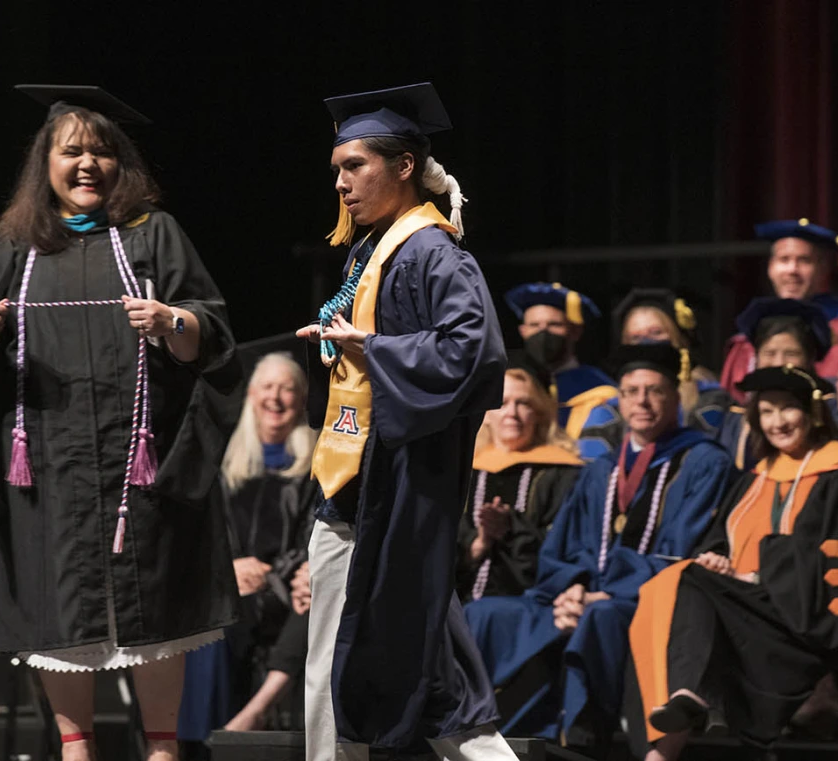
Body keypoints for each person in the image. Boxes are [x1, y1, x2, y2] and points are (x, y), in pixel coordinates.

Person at [0, 85, 240, 761]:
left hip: (140, 469)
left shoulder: (152, 233)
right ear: (45, 164)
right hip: (48, 472)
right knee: (57, 609)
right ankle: (75, 750)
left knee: (155, 613)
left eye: (101, 150)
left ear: (120, 163)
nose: (87, 162)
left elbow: (212, 330)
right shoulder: (13, 245)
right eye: (71, 150)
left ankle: (162, 749)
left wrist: (173, 322)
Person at [295, 82, 515, 761]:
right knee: (394, 662)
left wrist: (376, 350)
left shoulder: (431, 251)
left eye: (354, 165)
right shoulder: (373, 250)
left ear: (404, 165)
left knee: (370, 663)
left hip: (394, 489)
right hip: (355, 482)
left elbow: (473, 350)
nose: (341, 183)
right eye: (336, 169)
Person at [463, 343, 733, 745]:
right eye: (631, 392)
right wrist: (572, 589)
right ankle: (485, 737)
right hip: (584, 597)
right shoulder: (601, 470)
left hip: (646, 599)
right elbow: (563, 547)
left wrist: (601, 595)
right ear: (620, 401)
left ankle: (584, 738)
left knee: (600, 617)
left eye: (655, 390)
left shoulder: (703, 462)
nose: (642, 401)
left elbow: (683, 550)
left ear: (676, 398)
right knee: (485, 613)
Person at [629, 365, 838, 760]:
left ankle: (670, 739)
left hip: (810, 627)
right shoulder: (755, 478)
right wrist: (718, 561)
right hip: (754, 614)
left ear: (813, 413)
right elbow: (722, 541)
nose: (777, 422)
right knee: (670, 583)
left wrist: (759, 573)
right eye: (767, 412)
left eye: (787, 409)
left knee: (683, 582)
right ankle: (679, 706)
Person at [216, 352, 316, 731]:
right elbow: (212, 537)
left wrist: (281, 573)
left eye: (288, 389)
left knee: (320, 602)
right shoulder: (226, 466)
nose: (276, 398)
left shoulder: (316, 465)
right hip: (236, 589)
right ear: (251, 396)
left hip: (289, 590)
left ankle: (257, 708)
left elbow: (314, 535)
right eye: (268, 387)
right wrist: (231, 569)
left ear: (302, 400)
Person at [457, 353, 583, 602]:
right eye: (501, 403)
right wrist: (477, 543)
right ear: (487, 413)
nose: (512, 414)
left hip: (529, 609)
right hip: (459, 608)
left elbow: (565, 550)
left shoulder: (564, 475)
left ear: (539, 413)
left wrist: (512, 529)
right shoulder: (462, 471)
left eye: (524, 403)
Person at [720, 218, 838, 402]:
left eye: (804, 260)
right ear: (770, 268)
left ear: (823, 268)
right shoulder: (748, 338)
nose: (792, 270)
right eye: (784, 259)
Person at [578, 289, 729, 459]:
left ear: (678, 338)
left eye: (656, 333)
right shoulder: (608, 412)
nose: (646, 343)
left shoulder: (712, 401)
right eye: (635, 337)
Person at [716, 297, 834, 471]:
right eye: (770, 353)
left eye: (791, 353)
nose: (779, 363)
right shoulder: (736, 420)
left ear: (809, 359)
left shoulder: (831, 409)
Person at [503, 282, 617, 438]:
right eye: (534, 325)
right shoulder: (510, 386)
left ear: (575, 331)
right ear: (523, 331)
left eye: (554, 324)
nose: (543, 332)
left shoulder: (599, 388)